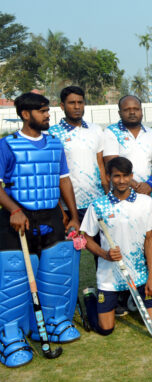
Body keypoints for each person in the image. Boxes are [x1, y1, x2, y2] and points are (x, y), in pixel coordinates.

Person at [0, 93, 81, 367]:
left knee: (55, 271)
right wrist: (14, 210)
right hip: (18, 217)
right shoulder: (7, 145)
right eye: (43, 111)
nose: (48, 115)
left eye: (48, 110)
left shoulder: (55, 144)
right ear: (26, 114)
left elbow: (64, 180)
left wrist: (73, 215)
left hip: (51, 216)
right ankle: (10, 334)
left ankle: (52, 322)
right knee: (13, 277)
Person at [81, 157, 152, 335]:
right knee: (106, 329)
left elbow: (149, 240)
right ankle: (90, 298)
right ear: (109, 177)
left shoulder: (145, 202)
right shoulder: (98, 206)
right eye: (117, 176)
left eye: (126, 176)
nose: (122, 180)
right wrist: (105, 254)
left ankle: (132, 299)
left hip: (139, 275)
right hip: (109, 277)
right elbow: (86, 238)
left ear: (131, 176)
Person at [49, 86, 108, 217]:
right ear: (62, 106)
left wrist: (107, 194)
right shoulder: (52, 134)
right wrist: (60, 209)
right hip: (69, 205)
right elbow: (51, 174)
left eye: (80, 102)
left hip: (97, 202)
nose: (77, 107)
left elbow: (100, 165)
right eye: (72, 103)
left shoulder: (96, 130)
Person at [103, 95, 152, 195]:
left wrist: (149, 185)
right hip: (121, 195)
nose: (132, 112)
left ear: (141, 111)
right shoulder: (111, 132)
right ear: (119, 113)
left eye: (136, 109)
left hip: (147, 194)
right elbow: (111, 165)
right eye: (127, 110)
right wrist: (137, 187)